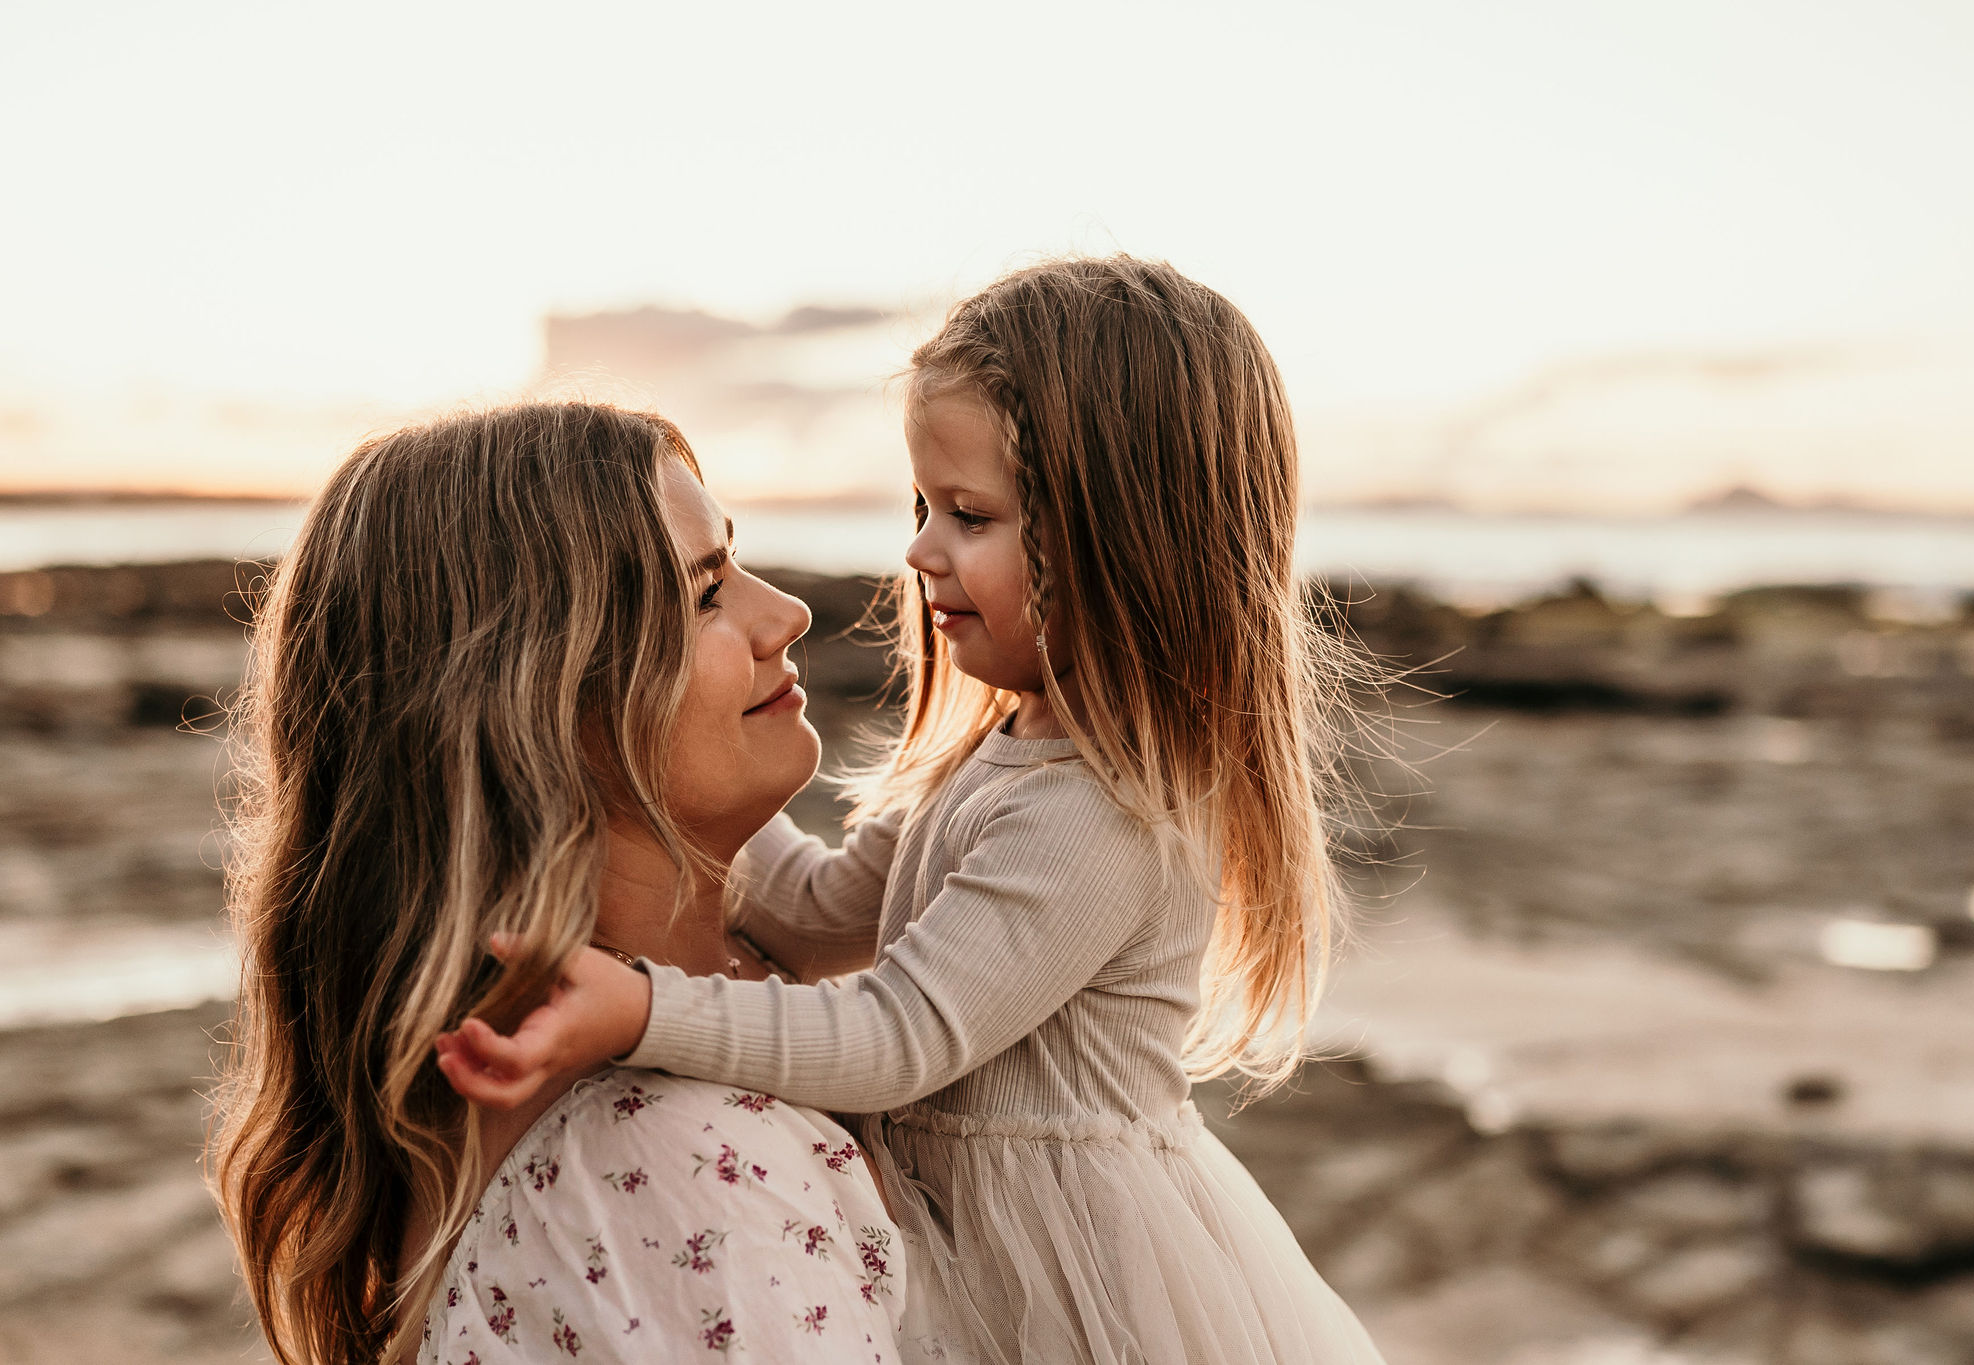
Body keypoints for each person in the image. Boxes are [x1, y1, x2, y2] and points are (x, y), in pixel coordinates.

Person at [440, 258, 1389, 1363]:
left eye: (970, 515)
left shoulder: (1103, 808)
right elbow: (811, 909)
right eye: (922, 505)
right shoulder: (1004, 754)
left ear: (1129, 543)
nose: (919, 549)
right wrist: (647, 776)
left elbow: (897, 1037)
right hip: (970, 1228)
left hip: (1072, 1270)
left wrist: (641, 1007)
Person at [206, 403, 904, 1365]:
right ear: (535, 703)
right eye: (704, 594)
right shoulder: (677, 1168)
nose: (786, 613)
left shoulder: (562, 1095)